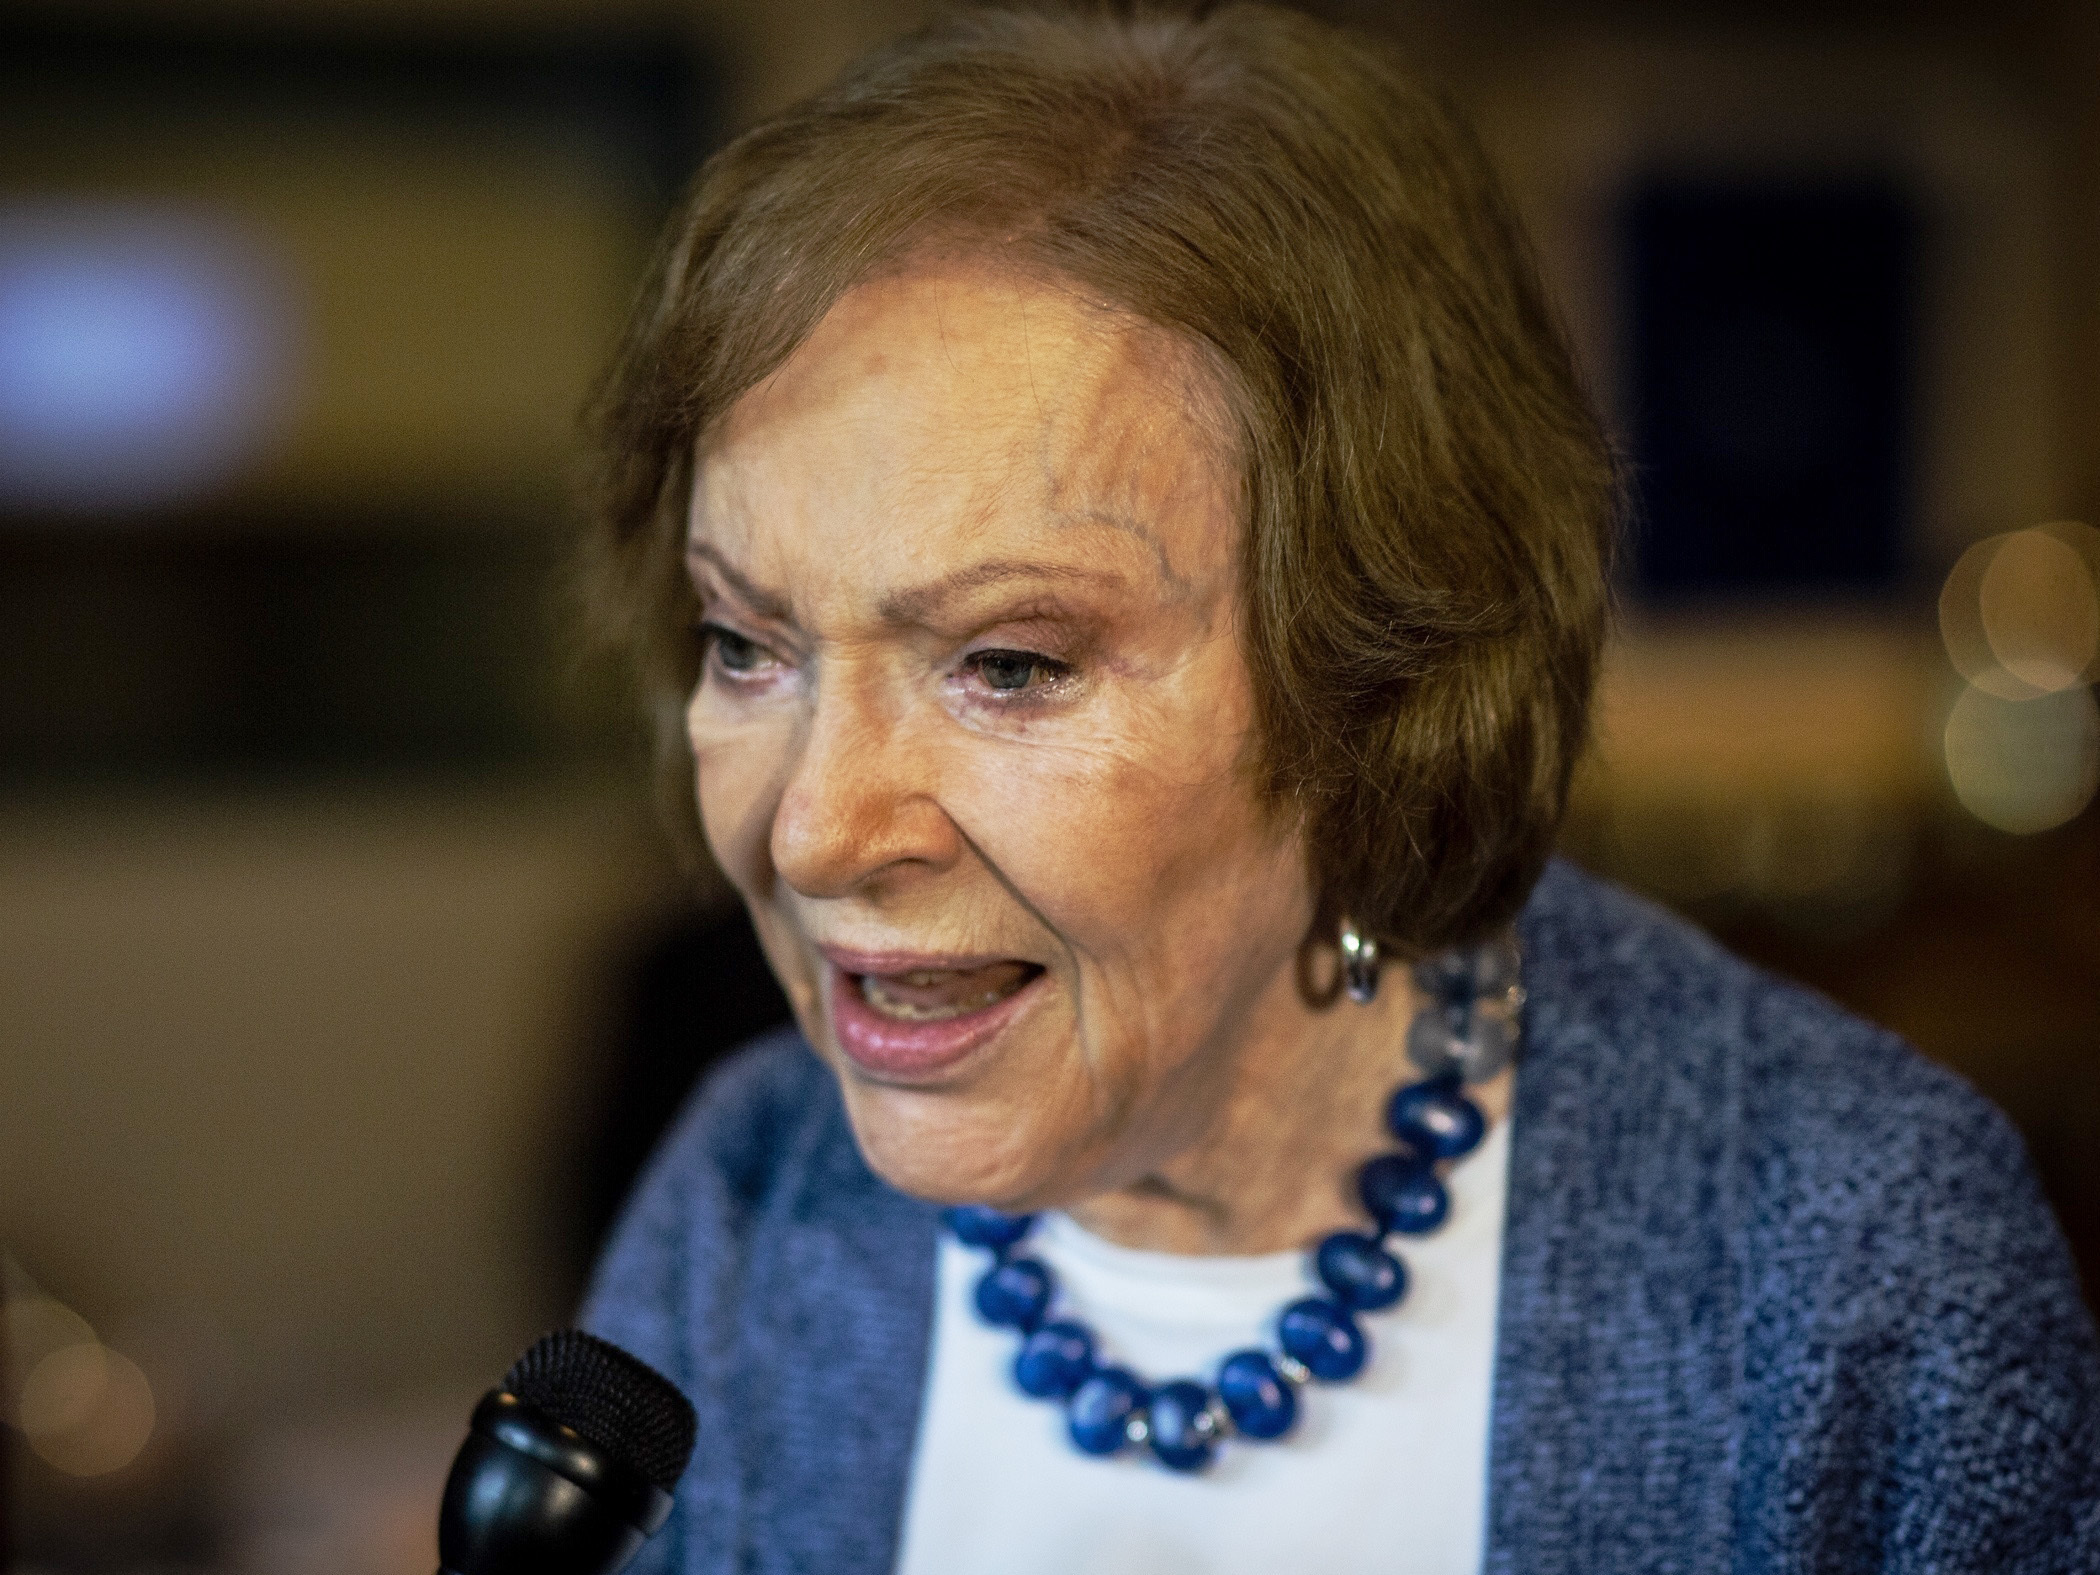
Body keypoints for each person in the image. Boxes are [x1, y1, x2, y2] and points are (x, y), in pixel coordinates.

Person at [575, 5, 2100, 1571]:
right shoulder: (752, 1195)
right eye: (747, 645)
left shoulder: (1856, 1258)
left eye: (1012, 664)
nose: (816, 830)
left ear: (1378, 685)